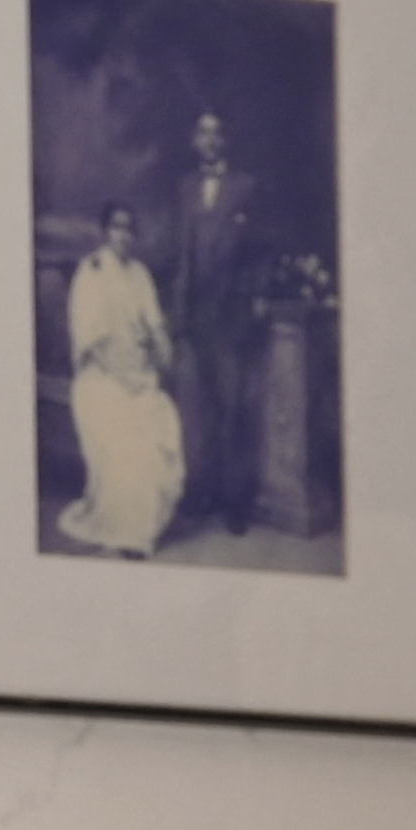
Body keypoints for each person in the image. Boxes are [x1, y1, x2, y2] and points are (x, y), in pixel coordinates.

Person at [59, 201, 186, 557]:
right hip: (103, 376)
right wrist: (123, 377)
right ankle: (126, 532)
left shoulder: (139, 273)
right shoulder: (93, 271)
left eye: (129, 228)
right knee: (126, 437)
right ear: (105, 231)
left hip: (139, 372)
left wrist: (161, 349)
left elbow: (154, 322)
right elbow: (90, 340)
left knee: (156, 431)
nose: (124, 235)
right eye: (116, 227)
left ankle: (142, 529)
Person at [164, 111, 260, 537]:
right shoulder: (184, 188)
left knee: (234, 408)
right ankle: (200, 492)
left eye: (217, 131)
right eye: (202, 131)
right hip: (194, 314)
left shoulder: (246, 187)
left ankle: (235, 501)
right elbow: (183, 253)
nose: (209, 139)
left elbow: (257, 253)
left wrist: (251, 299)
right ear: (193, 140)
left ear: (225, 141)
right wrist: (177, 314)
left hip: (231, 316)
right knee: (195, 409)